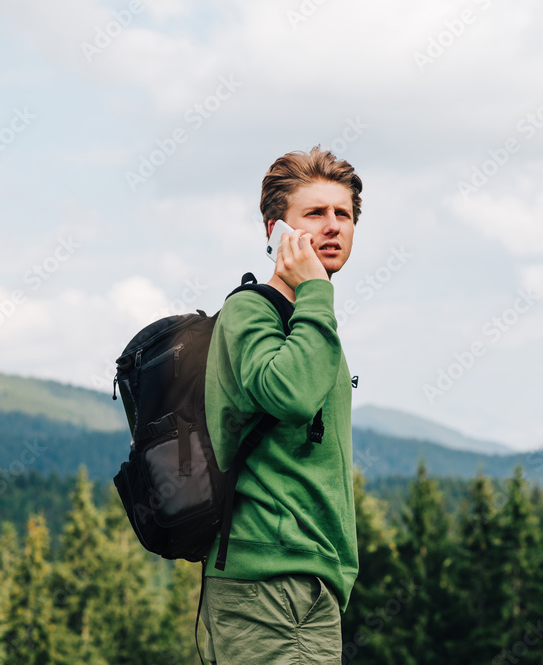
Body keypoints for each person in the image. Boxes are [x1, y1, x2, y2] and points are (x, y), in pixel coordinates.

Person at [200, 146, 362, 663]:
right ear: (276, 231)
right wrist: (314, 289)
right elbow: (288, 396)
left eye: (344, 214)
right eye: (314, 213)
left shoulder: (311, 323)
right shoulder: (251, 312)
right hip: (269, 580)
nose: (333, 226)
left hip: (307, 579)